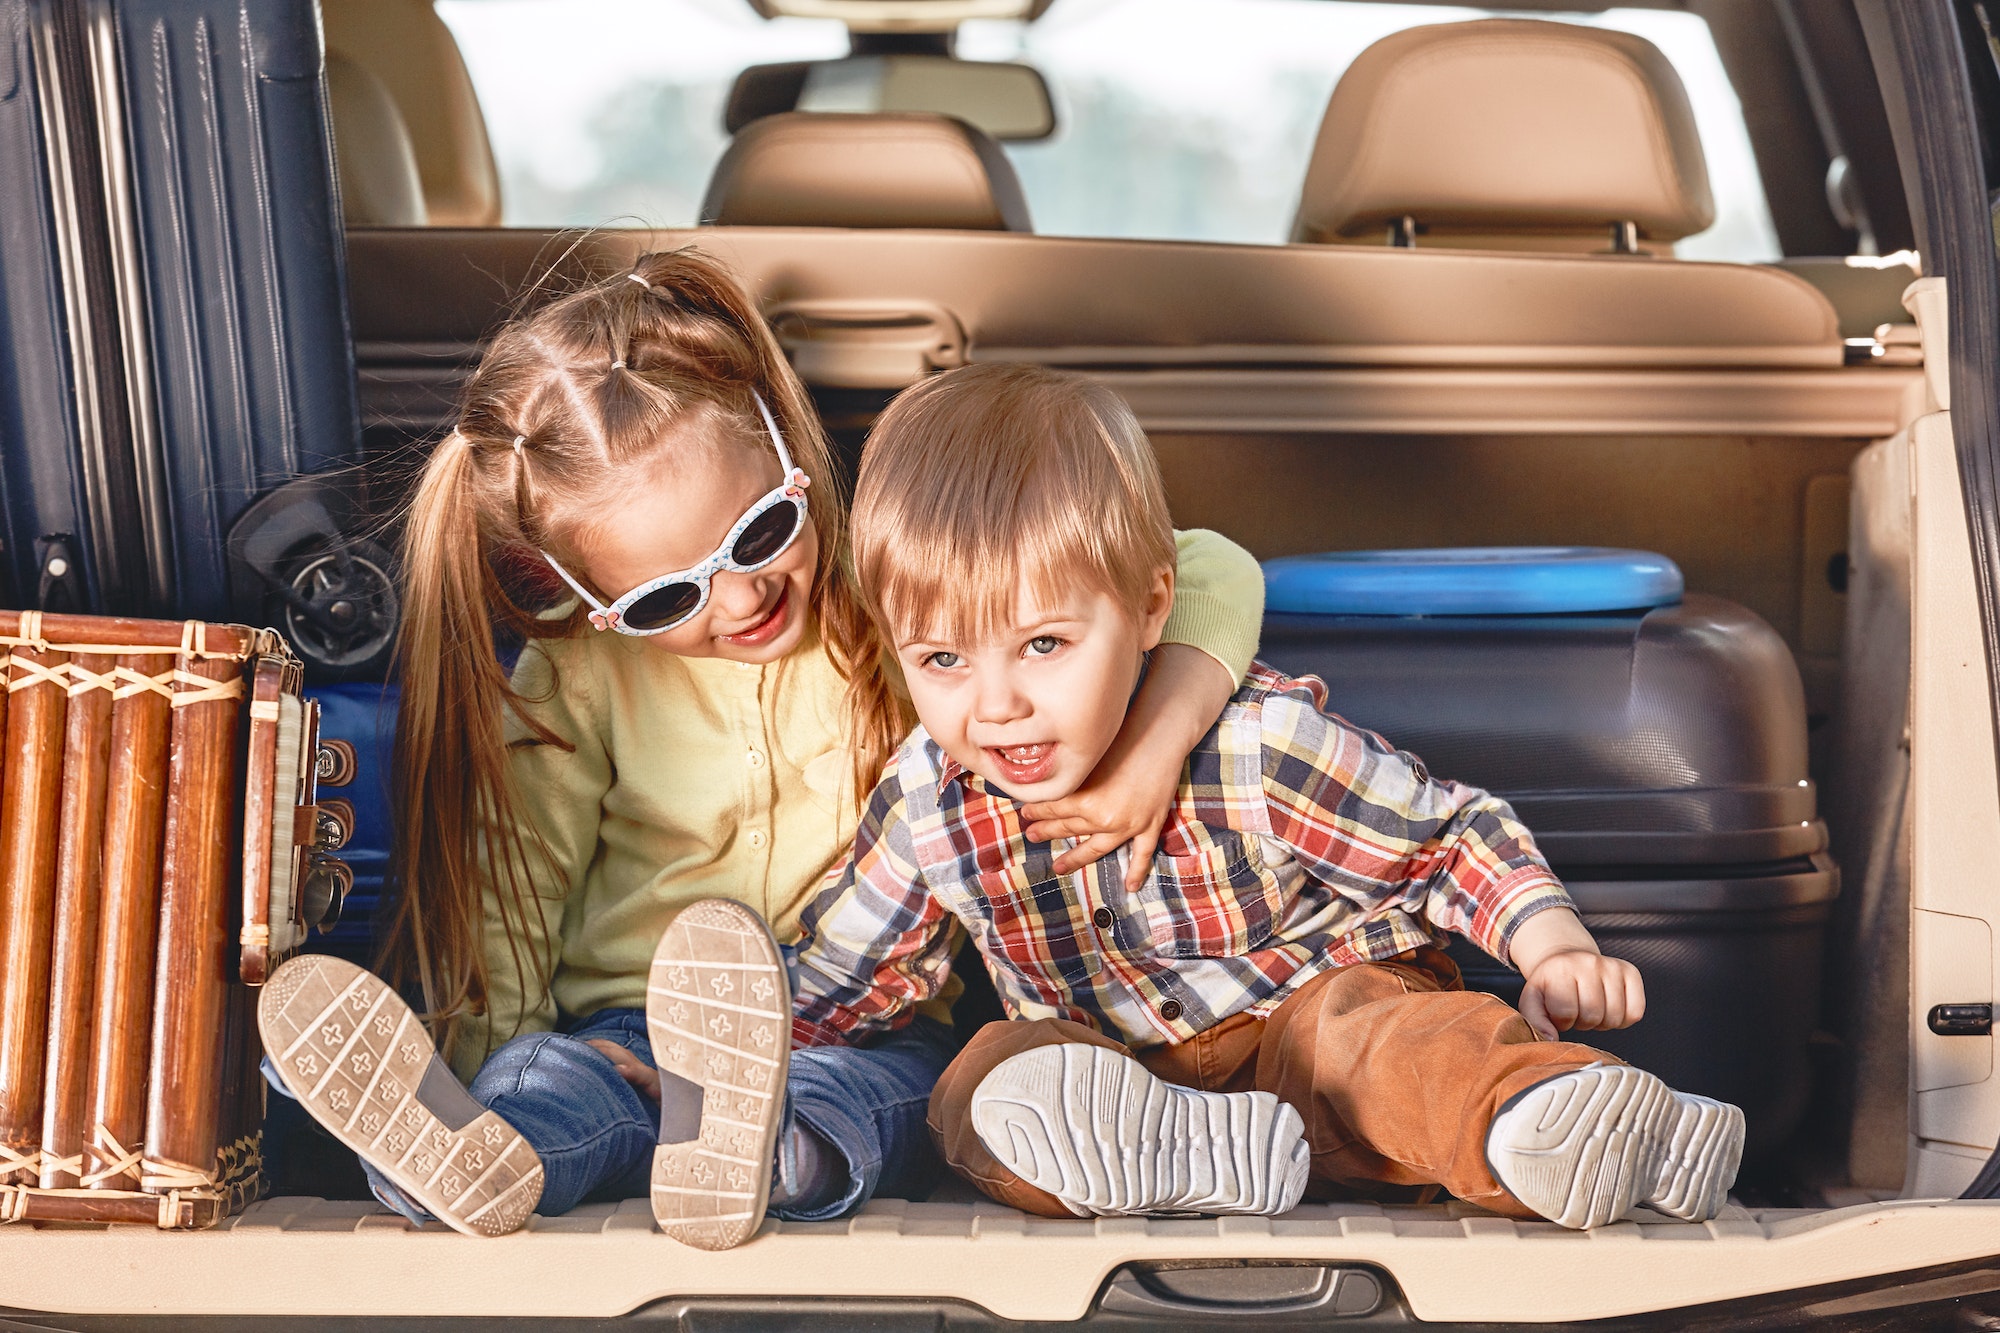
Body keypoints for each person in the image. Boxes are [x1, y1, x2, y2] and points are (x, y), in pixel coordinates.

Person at [257, 251, 1268, 1246]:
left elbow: (1205, 563)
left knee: (862, 1099)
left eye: (757, 532)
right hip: (632, 1017)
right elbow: (514, 884)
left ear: (786, 445)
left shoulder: (898, 602)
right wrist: (496, 1050)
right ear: (582, 600)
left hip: (872, 1014)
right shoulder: (580, 678)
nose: (740, 597)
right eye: (663, 597)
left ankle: (762, 1156)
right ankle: (466, 1147)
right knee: (554, 1082)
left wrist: (1156, 741)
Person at [756, 361, 1744, 1228]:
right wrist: (730, 1058)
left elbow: (1445, 840)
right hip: (1123, 1087)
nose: (997, 703)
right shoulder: (929, 799)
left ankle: (1549, 1119)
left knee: (1386, 1043)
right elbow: (851, 975)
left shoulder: (1252, 745)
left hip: (1305, 1030)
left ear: (1150, 608)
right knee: (978, 1079)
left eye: (1043, 644)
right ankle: (1182, 1158)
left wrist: (1551, 943)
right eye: (941, 658)